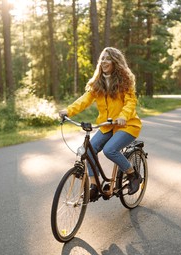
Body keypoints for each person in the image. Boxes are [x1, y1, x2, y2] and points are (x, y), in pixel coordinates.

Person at [59, 47, 142, 200]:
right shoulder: (98, 82)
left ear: (115, 62)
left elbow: (130, 103)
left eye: (107, 58)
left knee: (110, 150)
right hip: (107, 125)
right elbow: (84, 100)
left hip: (127, 125)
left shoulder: (126, 81)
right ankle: (94, 185)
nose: (103, 61)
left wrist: (123, 116)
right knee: (87, 151)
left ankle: (133, 175)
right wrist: (68, 111)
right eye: (102, 58)